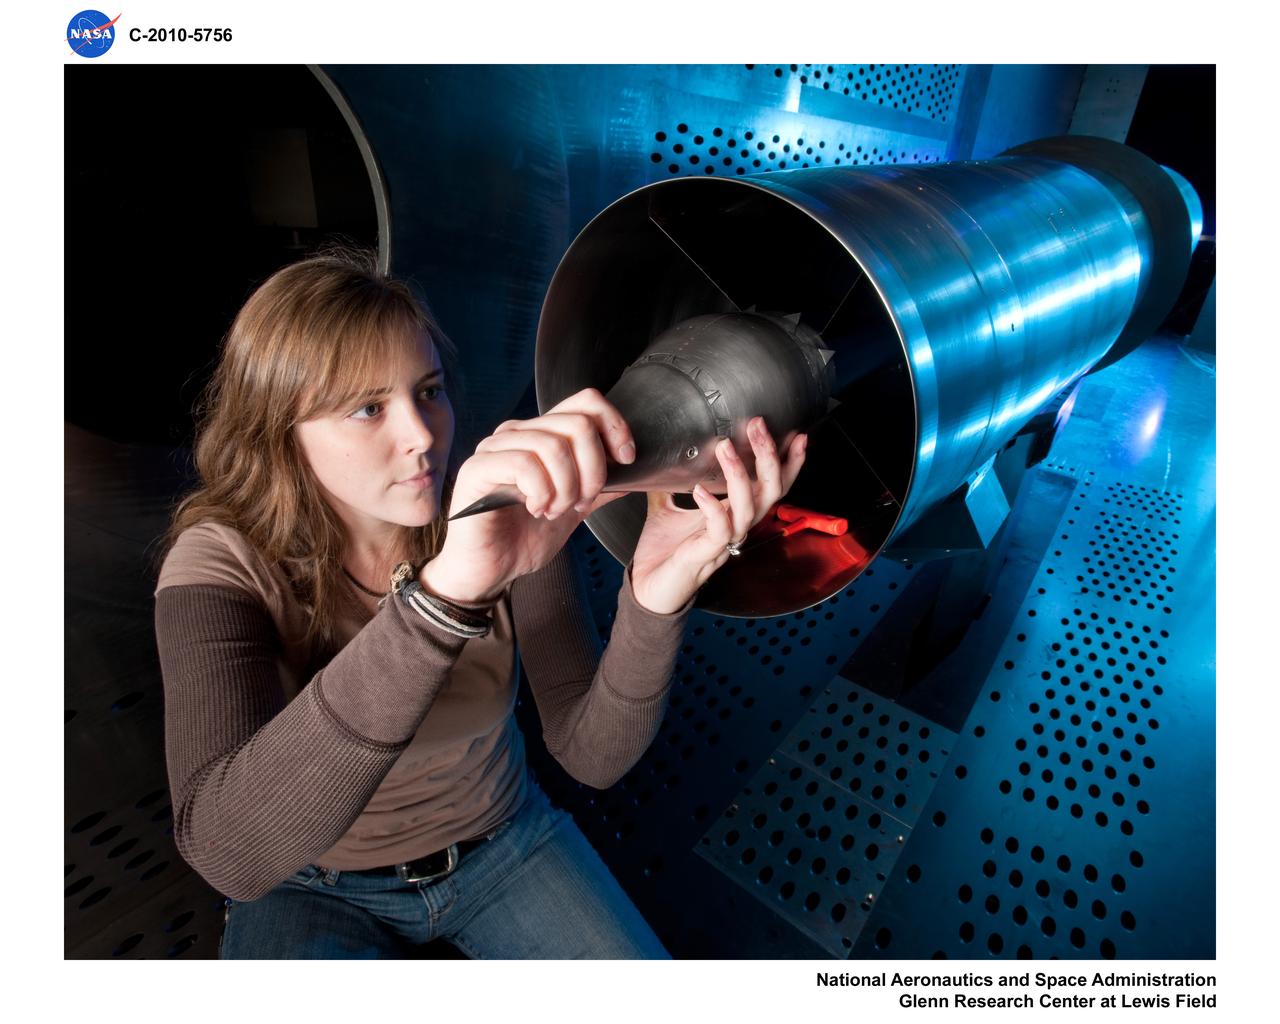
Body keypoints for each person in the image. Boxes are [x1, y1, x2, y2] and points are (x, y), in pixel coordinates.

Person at [154, 248, 807, 959]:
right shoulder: (220, 563)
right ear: (280, 430)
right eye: (368, 409)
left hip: (502, 842)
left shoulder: (497, 515)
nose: (422, 436)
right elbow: (228, 851)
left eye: (428, 391)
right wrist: (446, 596)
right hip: (312, 880)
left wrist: (653, 599)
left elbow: (590, 753)